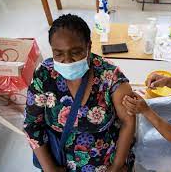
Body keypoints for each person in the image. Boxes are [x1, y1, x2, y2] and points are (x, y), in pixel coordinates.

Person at [24, 14, 135, 172]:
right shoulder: (44, 76)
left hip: (106, 161)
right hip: (60, 162)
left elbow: (128, 121)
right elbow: (31, 125)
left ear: (88, 46)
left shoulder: (109, 75)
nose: (67, 60)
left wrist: (116, 166)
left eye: (75, 52)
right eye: (59, 54)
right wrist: (50, 169)